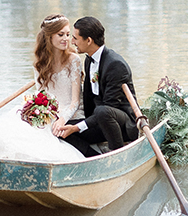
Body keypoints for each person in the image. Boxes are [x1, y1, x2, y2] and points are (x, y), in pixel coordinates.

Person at [0, 14, 85, 162]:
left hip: (69, 112)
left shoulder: (74, 60)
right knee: (13, 128)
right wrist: (35, 110)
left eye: (68, 35)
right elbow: (40, 94)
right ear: (49, 37)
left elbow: (75, 102)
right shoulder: (39, 64)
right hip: (47, 111)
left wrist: (61, 119)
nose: (66, 39)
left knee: (42, 137)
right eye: (61, 35)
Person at [54, 16, 138, 157]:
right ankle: (93, 157)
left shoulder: (116, 65)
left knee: (102, 111)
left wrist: (76, 127)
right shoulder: (89, 60)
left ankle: (117, 153)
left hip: (122, 125)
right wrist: (73, 124)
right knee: (61, 130)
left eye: (75, 38)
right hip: (98, 121)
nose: (72, 42)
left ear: (88, 40)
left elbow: (110, 107)